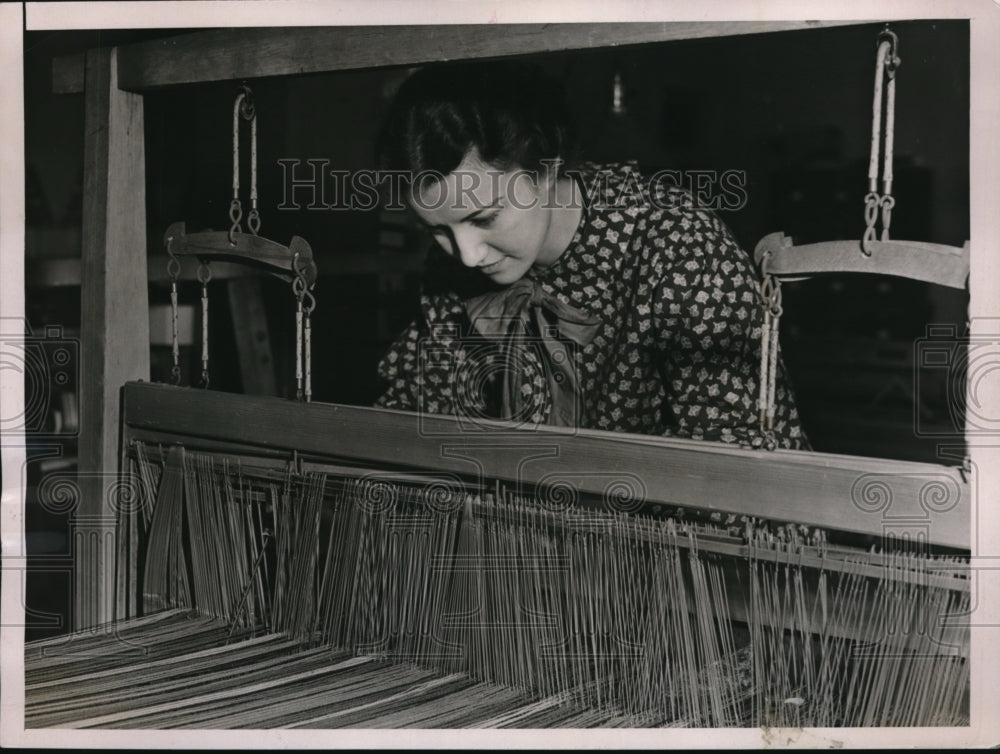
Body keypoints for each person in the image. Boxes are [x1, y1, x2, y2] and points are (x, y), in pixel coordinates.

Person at [374, 61, 807, 450]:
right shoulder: (451, 267)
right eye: (438, 231)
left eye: (485, 218)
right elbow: (414, 414)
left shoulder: (674, 242)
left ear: (545, 169)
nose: (467, 256)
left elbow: (727, 454)